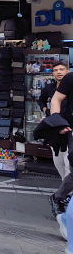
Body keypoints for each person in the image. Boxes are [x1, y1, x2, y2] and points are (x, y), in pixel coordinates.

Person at [47, 70, 73, 222]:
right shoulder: (71, 78)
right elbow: (56, 99)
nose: (58, 72)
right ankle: (59, 197)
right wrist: (58, 122)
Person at [39, 62, 71, 181]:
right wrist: (45, 109)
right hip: (55, 127)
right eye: (56, 70)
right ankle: (65, 183)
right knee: (57, 159)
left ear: (67, 71)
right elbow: (41, 100)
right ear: (53, 73)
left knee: (68, 159)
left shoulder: (71, 86)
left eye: (62, 69)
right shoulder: (49, 88)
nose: (59, 72)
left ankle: (68, 187)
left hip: (70, 126)